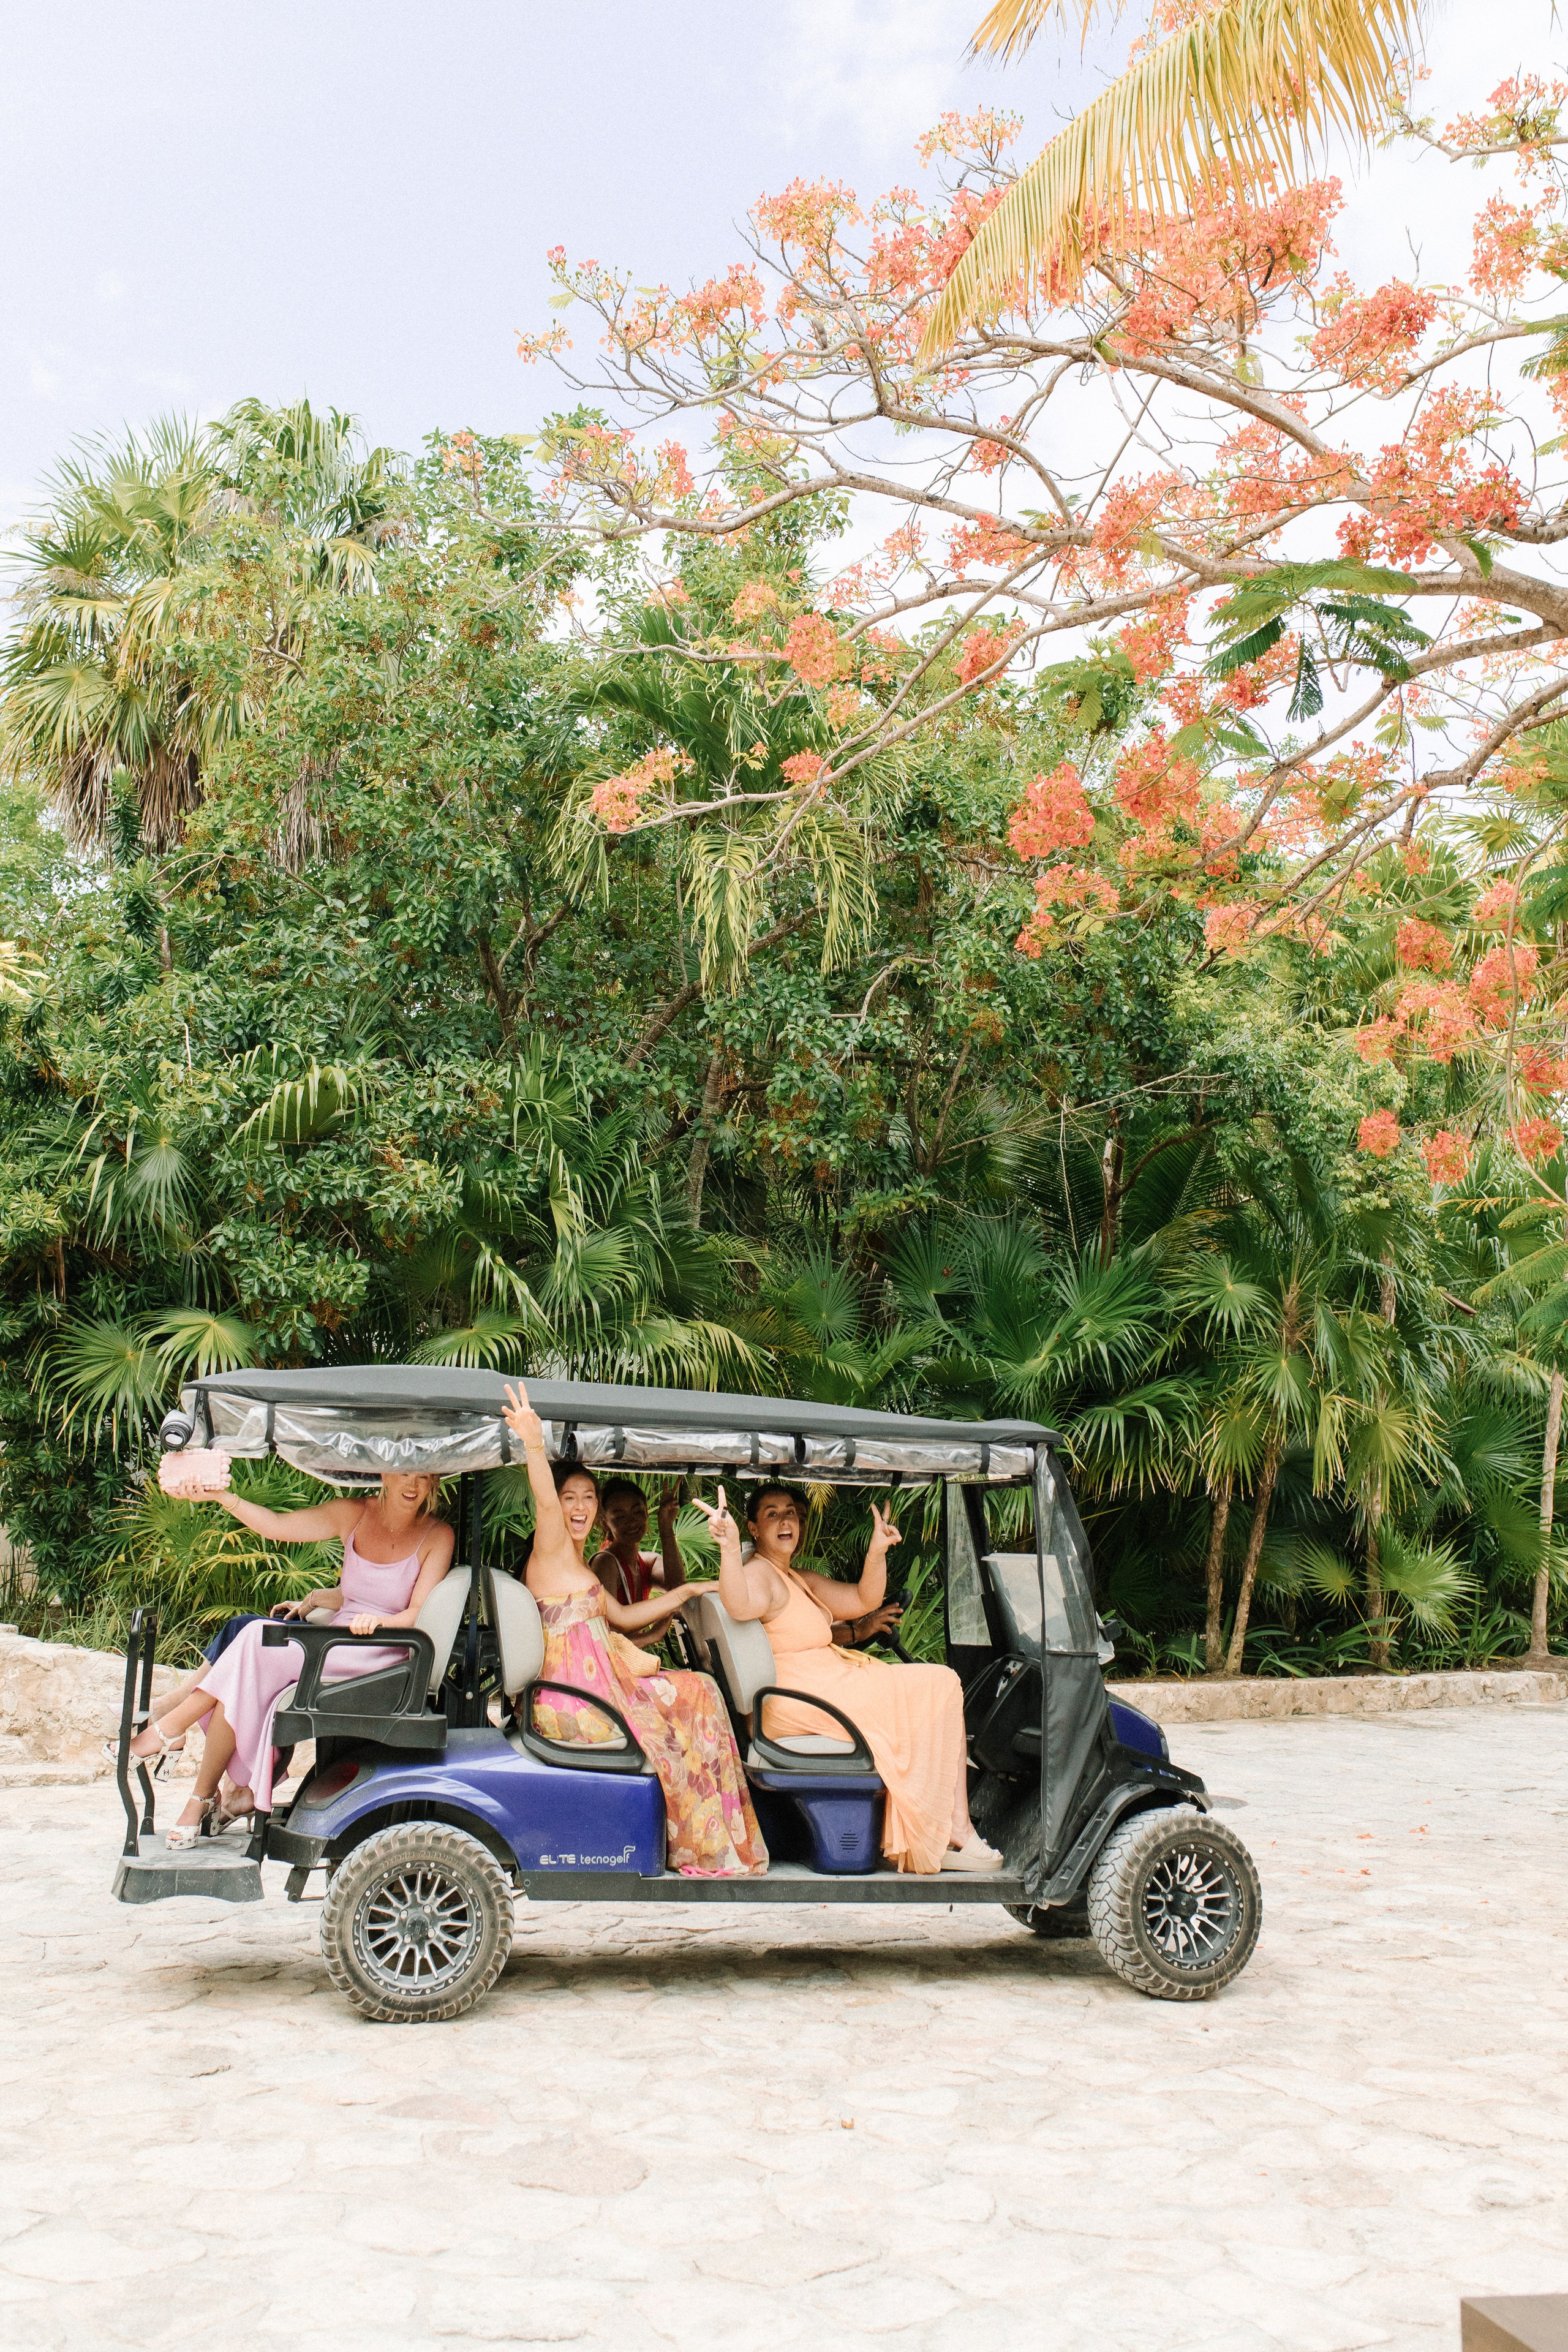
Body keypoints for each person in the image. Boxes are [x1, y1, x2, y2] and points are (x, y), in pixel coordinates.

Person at [501, 1382, 767, 1879]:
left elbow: (623, 1619)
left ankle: (703, 1839)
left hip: (598, 1686)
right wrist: (534, 1444)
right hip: (577, 1697)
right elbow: (544, 1503)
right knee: (699, 1696)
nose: (577, 1507)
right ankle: (701, 1845)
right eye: (569, 1498)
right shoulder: (552, 1546)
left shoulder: (577, 1568)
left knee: (700, 1689)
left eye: (587, 1497)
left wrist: (688, 1594)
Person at [124, 1458, 455, 1847]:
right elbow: (280, 1528)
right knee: (248, 1657)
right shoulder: (355, 1513)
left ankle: (168, 1733)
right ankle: (195, 1795)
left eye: (423, 1475)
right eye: (404, 1471)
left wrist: (377, 1623)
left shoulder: (438, 1535)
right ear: (383, 1472)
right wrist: (223, 1497)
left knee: (252, 1638)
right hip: (335, 1641)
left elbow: (417, 1612)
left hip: (378, 1652)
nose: (413, 1485)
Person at [697, 1480, 1003, 1877]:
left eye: (790, 1511)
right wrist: (727, 1547)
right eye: (772, 1514)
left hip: (824, 1686)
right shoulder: (761, 1576)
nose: (785, 1520)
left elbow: (863, 1601)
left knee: (934, 1686)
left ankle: (940, 1830)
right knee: (940, 1684)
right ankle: (954, 1831)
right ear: (754, 1529)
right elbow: (738, 1603)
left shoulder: (796, 1577)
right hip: (800, 1699)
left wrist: (877, 1552)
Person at [591, 1478, 686, 1609]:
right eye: (620, 1517)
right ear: (605, 1524)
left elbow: (678, 1588)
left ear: (646, 1512)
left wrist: (666, 1527)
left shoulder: (647, 1563)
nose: (631, 1522)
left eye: (637, 1512)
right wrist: (665, 1619)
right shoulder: (605, 1562)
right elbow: (609, 1627)